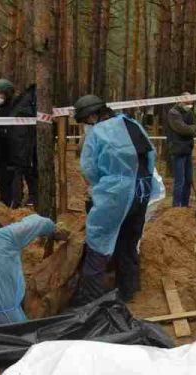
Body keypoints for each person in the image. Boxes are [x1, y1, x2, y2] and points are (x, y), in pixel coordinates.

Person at [71, 94, 160, 306]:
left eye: (86, 121)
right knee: (128, 241)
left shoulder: (97, 133)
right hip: (142, 190)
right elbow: (151, 154)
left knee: (98, 242)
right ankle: (128, 291)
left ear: (93, 115)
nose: (86, 126)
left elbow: (89, 169)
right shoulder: (132, 123)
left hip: (115, 193)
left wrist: (101, 186)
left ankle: (92, 301)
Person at [0, 78, 36, 208]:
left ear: (7, 95)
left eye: (0, 94)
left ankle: (5, 211)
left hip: (5, 155)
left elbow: (11, 131)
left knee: (6, 187)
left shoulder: (13, 111)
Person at [165, 93, 196, 207]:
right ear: (181, 101)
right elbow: (183, 129)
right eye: (187, 103)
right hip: (177, 150)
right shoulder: (173, 113)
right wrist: (191, 129)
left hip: (188, 149)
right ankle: (176, 206)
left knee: (188, 180)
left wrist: (191, 129)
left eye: (191, 103)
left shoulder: (189, 113)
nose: (189, 105)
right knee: (179, 181)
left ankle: (185, 205)